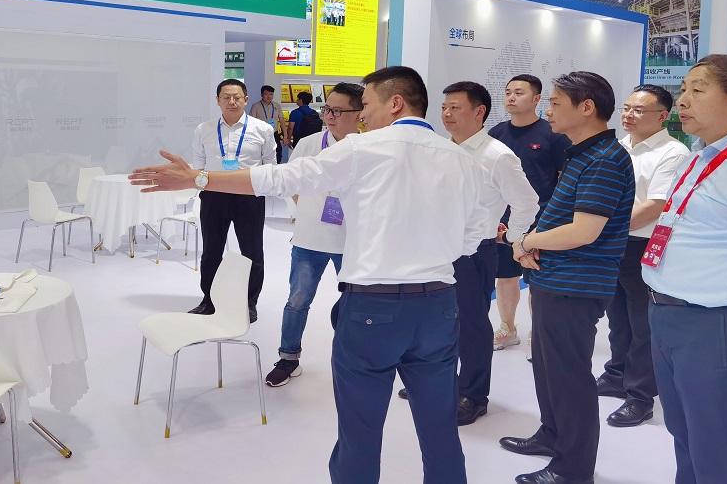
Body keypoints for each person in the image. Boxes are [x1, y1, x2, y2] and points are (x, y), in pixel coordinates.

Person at [131, 66, 489, 484]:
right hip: (439, 307)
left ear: (395, 103)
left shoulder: (362, 149)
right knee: (440, 429)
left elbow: (280, 178)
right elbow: (473, 237)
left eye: (366, 105)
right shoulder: (464, 161)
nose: (361, 115)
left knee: (360, 432)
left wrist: (200, 178)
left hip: (373, 308)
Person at [500, 71, 635, 484]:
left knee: (568, 376)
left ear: (587, 107)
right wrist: (533, 245)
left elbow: (584, 231)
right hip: (555, 279)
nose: (548, 110)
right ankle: (552, 434)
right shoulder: (581, 153)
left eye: (556, 102)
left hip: (576, 285)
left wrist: (526, 240)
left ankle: (572, 469)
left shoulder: (604, 159)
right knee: (547, 368)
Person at [396, 81, 539, 425]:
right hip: (434, 249)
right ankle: (440, 381)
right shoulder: (441, 149)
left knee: (471, 324)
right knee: (435, 320)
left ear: (479, 112)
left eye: (455, 108)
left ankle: (473, 395)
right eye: (444, 107)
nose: (447, 114)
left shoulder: (497, 155)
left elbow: (526, 202)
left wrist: (514, 238)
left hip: (473, 253)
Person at [641, 54, 727, 483]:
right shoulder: (701, 153)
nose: (682, 100)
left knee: (718, 445)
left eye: (698, 90)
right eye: (683, 89)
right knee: (685, 433)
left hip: (717, 323)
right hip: (667, 312)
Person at [596, 84, 689, 428]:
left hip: (643, 244)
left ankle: (640, 396)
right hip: (612, 243)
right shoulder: (618, 146)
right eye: (626, 108)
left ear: (663, 116)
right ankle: (616, 375)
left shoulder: (673, 152)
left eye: (638, 110)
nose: (628, 115)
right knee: (617, 315)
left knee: (642, 323)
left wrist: (600, 229)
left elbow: (656, 205)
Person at [265, 82, 363, 387]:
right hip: (310, 238)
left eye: (337, 110)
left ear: (359, 113)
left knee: (356, 303)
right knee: (297, 300)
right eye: (327, 109)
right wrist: (308, 210)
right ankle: (288, 358)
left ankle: (355, 359)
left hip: (353, 241)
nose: (329, 115)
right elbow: (291, 184)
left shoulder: (369, 147)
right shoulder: (309, 144)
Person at [489, 74, 570, 358]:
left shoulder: (552, 134)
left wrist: (556, 217)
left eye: (519, 92)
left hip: (541, 220)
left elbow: (564, 178)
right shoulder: (496, 133)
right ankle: (507, 328)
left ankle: (538, 333)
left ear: (536, 99)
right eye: (508, 92)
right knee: (505, 276)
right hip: (504, 218)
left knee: (536, 279)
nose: (511, 97)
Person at [191, 78, 276, 323]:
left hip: (248, 196)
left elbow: (270, 165)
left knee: (252, 252)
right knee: (211, 251)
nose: (231, 101)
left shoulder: (262, 129)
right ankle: (209, 300)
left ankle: (249, 303)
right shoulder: (204, 129)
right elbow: (199, 164)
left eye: (237, 97)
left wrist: (259, 190)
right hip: (214, 196)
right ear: (217, 100)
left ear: (245, 100)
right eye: (226, 97)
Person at [249, 85, 288, 163]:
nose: (269, 96)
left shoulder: (277, 105)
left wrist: (285, 136)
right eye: (266, 94)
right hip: (261, 134)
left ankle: (275, 168)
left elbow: (282, 121)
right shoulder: (256, 106)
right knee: (261, 154)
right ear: (261, 95)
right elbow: (251, 122)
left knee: (278, 153)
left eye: (271, 94)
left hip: (274, 133)